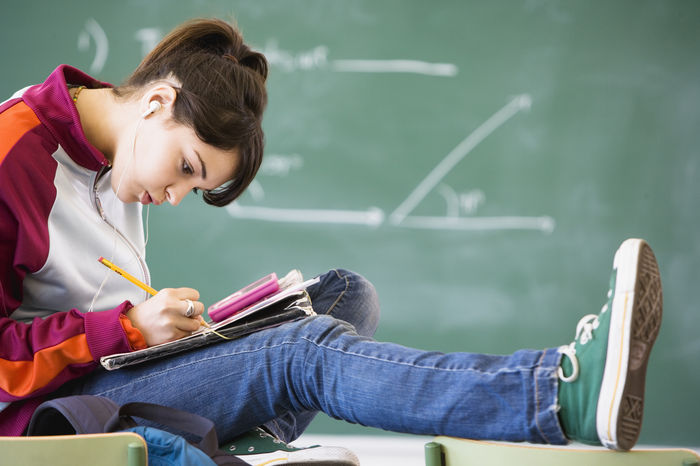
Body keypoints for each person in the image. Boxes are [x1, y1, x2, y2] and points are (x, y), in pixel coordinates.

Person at [0, 17, 662, 462]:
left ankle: (243, 442)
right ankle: (556, 392)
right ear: (157, 104)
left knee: (345, 298)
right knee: (300, 352)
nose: (174, 196)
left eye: (192, 186)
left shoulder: (110, 158)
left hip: (110, 375)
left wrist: (159, 330)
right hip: (50, 418)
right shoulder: (14, 150)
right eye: (187, 170)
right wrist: (127, 328)